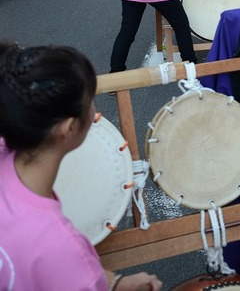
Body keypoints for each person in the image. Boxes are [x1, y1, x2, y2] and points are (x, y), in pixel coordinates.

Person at [0, 41, 162, 290]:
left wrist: (114, 283)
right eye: (90, 100)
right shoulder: (63, 248)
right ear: (69, 127)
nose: (94, 108)